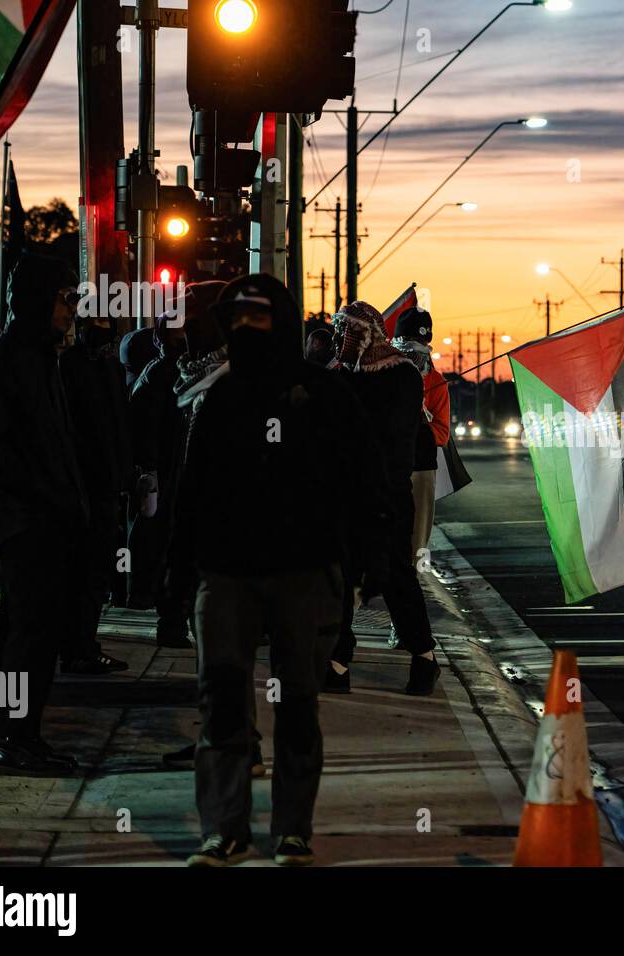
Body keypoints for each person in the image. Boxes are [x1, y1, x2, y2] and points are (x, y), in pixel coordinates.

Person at [169, 274, 380, 866]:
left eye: (258, 318)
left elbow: (363, 487)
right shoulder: (220, 397)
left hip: (305, 573)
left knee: (298, 707)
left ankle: (292, 830)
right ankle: (225, 829)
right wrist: (179, 577)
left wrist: (358, 573)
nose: (248, 331)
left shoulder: (327, 397)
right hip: (227, 575)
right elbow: (192, 493)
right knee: (223, 703)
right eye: (239, 320)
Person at [0, 254, 89, 774]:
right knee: (28, 631)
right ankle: (13, 736)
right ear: (42, 299)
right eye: (66, 299)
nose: (72, 311)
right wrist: (39, 499)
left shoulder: (42, 356)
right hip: (27, 524)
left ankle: (25, 734)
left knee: (40, 632)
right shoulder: (12, 357)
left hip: (45, 521)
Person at [327, 301, 440, 696]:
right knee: (339, 578)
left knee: (394, 580)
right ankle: (337, 663)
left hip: (387, 497)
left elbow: (397, 444)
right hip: (345, 498)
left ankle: (424, 657)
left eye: (350, 332)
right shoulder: (341, 376)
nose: (343, 339)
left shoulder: (403, 376)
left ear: (368, 333)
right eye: (341, 332)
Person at [58, 307, 131, 674]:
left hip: (104, 485)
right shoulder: (69, 368)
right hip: (83, 486)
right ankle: (77, 646)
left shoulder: (109, 371)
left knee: (95, 571)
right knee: (82, 571)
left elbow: (119, 426)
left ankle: (80, 644)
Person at [126, 316, 186, 647]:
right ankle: (170, 618)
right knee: (163, 546)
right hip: (166, 477)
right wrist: (150, 470)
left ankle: (173, 616)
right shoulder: (160, 375)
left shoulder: (174, 373)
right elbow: (145, 430)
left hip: (173, 476)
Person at [391, 307, 449, 561]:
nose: (415, 350)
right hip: (388, 467)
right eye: (408, 344)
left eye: (421, 343)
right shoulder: (383, 375)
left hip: (421, 467)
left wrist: (420, 421)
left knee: (415, 544)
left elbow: (442, 434)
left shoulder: (436, 381)